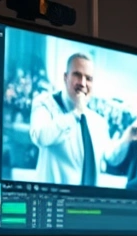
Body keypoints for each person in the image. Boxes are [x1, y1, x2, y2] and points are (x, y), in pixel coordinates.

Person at [29, 53, 112, 186]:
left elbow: (110, 157)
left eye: (88, 78)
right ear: (65, 77)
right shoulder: (45, 103)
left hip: (88, 203)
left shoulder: (98, 122)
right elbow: (40, 136)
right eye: (77, 75)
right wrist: (76, 113)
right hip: (52, 200)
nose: (83, 83)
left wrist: (128, 138)